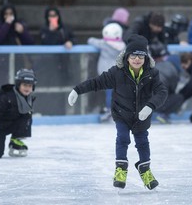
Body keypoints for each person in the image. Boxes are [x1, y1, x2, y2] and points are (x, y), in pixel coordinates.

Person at [68, 34, 168, 190]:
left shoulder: (151, 74)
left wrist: (150, 106)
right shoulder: (117, 73)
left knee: (142, 142)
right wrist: (77, 90)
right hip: (122, 113)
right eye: (133, 55)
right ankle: (121, 168)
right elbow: (96, 82)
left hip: (142, 115)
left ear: (146, 58)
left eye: (141, 56)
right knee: (122, 138)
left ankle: (145, 169)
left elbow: (162, 92)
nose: (137, 59)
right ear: (127, 56)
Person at [0, 4, 34, 87]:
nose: (9, 16)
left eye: (11, 14)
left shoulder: (18, 25)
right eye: (6, 14)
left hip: (17, 62)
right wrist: (6, 24)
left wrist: (22, 32)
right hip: (1, 63)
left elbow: (30, 42)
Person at [87, 23, 126, 121]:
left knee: (110, 93)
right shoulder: (123, 45)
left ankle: (110, 111)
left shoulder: (104, 44)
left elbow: (90, 40)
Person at [38, 6, 76, 86]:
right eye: (50, 16)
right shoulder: (44, 30)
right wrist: (51, 31)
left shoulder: (65, 28)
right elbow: (45, 43)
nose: (53, 18)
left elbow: (73, 38)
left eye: (54, 15)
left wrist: (70, 42)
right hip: (48, 64)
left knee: (65, 84)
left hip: (64, 63)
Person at [149, 41, 184, 123]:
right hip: (156, 103)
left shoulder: (143, 65)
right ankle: (164, 115)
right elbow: (173, 88)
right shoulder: (170, 66)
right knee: (179, 97)